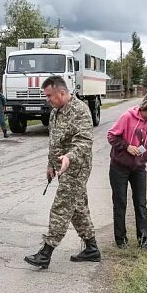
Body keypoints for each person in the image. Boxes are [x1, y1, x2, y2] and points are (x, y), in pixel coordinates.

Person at [24, 75, 100, 269]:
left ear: (62, 92)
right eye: (46, 96)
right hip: (62, 166)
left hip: (77, 167)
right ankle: (92, 248)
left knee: (61, 206)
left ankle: (46, 252)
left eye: (50, 95)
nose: (47, 99)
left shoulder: (80, 110)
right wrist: (51, 164)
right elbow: (54, 140)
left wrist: (68, 158)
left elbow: (84, 141)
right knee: (77, 207)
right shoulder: (55, 111)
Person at [107, 90, 147, 250]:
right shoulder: (128, 116)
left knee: (141, 203)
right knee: (120, 203)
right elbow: (111, 136)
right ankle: (120, 240)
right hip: (119, 167)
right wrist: (127, 146)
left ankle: (144, 241)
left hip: (139, 168)